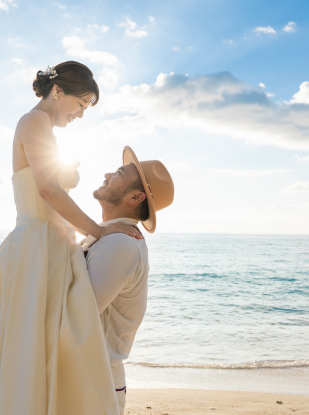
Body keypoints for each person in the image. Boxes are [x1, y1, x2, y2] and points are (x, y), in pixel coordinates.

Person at [0, 61, 140, 415]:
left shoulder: (45, 129)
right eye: (82, 104)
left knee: (47, 348)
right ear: (59, 91)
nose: (81, 115)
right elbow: (49, 190)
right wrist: (98, 231)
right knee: (30, 352)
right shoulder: (34, 121)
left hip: (52, 248)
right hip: (35, 250)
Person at [80, 146, 174, 415]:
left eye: (119, 172)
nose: (108, 173)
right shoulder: (106, 236)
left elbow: (79, 312)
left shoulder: (120, 244)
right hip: (88, 374)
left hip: (95, 382)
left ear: (135, 196)